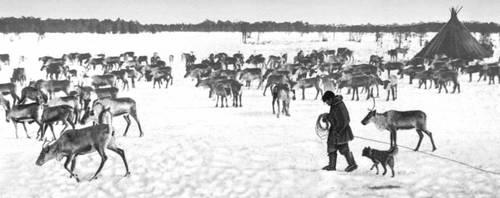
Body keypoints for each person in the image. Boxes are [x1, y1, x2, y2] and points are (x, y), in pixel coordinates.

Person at [321, 91, 357, 172]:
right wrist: (327, 116)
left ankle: (352, 164)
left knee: (344, 148)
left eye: (327, 101)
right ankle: (332, 165)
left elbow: (345, 120)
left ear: (330, 99)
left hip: (342, 131)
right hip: (335, 131)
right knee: (331, 147)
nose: (326, 103)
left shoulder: (339, 105)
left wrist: (338, 130)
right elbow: (334, 117)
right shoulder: (334, 105)